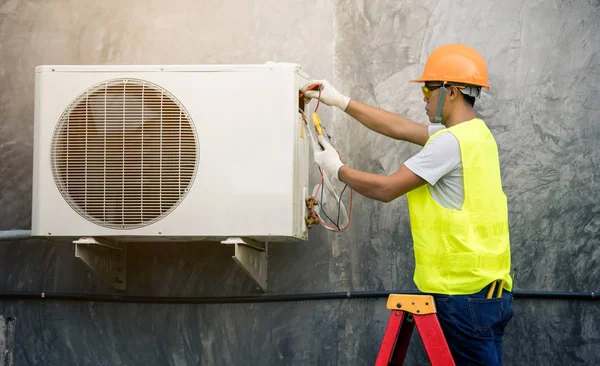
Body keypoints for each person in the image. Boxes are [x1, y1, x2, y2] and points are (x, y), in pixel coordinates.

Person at [302, 44, 514, 365]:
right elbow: (398, 128)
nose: (424, 97)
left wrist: (337, 170)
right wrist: (340, 101)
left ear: (452, 91)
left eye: (429, 89)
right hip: (492, 292)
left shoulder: (448, 143)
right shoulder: (476, 135)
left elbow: (387, 189)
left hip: (461, 296)